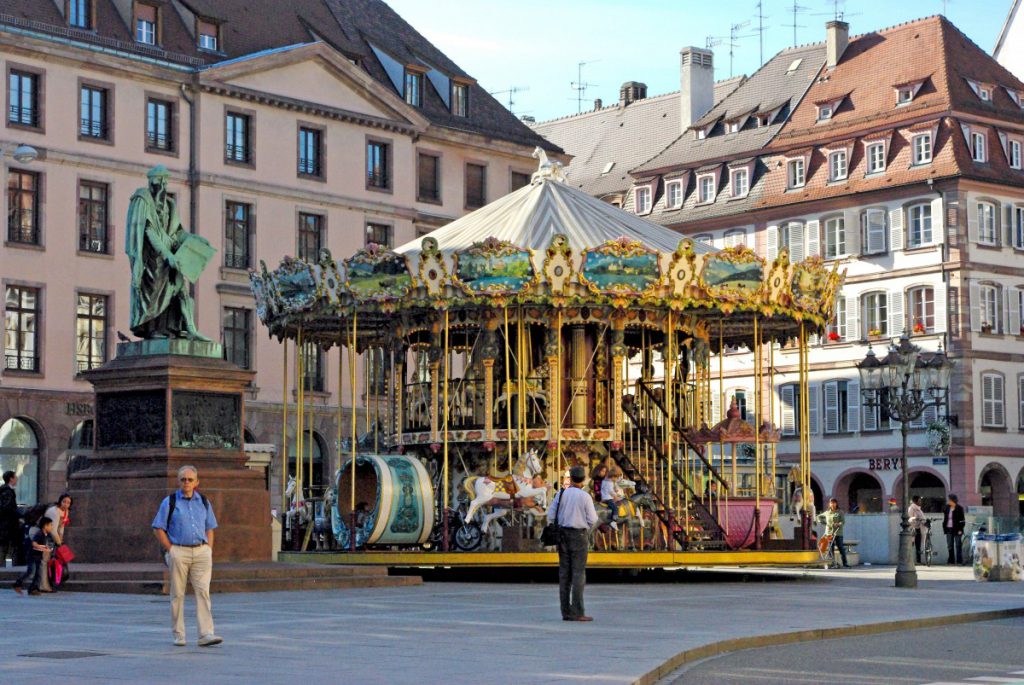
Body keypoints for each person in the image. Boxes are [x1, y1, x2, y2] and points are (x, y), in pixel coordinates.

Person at [125, 165, 210, 341]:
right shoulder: (143, 199)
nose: (161, 186)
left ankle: (190, 328)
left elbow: (177, 232)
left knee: (181, 290)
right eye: (158, 182)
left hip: (169, 259)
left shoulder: (170, 205)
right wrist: (167, 255)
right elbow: (148, 231)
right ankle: (153, 329)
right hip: (152, 260)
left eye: (163, 182)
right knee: (154, 295)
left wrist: (195, 239)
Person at [151, 465, 222, 647]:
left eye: (190, 480)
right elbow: (158, 527)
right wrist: (171, 549)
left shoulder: (203, 501)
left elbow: (210, 527)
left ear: (197, 482)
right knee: (177, 593)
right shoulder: (170, 502)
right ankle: (179, 634)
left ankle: (206, 633)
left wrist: (208, 548)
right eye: (183, 479)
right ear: (178, 481)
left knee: (203, 592)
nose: (186, 483)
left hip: (201, 551)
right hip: (179, 550)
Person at [546, 465, 597, 622]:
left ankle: (566, 612)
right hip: (579, 535)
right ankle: (578, 611)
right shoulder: (585, 497)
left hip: (562, 535)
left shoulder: (561, 494)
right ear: (583, 479)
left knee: (564, 574)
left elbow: (550, 515)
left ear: (571, 478)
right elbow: (593, 519)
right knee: (578, 574)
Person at [14, 516, 52, 595]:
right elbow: (34, 543)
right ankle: (18, 584)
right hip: (32, 556)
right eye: (50, 525)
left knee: (38, 574)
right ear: (45, 526)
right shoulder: (40, 533)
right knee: (31, 572)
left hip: (38, 557)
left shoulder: (46, 534)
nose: (51, 527)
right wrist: (44, 548)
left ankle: (33, 589)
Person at [816, 498, 849, 569]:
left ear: (836, 504)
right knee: (831, 549)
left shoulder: (840, 512)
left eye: (834, 503)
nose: (833, 504)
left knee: (841, 548)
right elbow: (818, 517)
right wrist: (824, 523)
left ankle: (845, 563)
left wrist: (839, 524)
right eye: (831, 503)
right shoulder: (827, 512)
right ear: (829, 504)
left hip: (838, 533)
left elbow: (843, 521)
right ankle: (832, 563)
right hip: (829, 533)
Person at [599, 467, 627, 531]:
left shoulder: (604, 481)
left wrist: (615, 492)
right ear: (613, 476)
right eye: (616, 477)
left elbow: (607, 489)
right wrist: (616, 495)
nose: (616, 479)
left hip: (603, 497)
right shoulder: (609, 482)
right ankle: (613, 521)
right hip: (608, 498)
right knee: (615, 508)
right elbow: (611, 491)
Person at [942, 493, 966, 565]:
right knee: (950, 546)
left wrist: (960, 529)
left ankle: (959, 561)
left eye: (949, 500)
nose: (948, 501)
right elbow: (945, 519)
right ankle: (951, 560)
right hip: (948, 529)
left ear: (953, 500)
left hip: (957, 529)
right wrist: (944, 528)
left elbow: (962, 520)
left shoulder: (959, 508)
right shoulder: (946, 508)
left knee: (958, 545)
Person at [0, 471, 18, 564]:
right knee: (8, 549)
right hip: (8, 526)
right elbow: (8, 508)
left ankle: (5, 567)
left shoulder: (4, 490)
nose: (17, 479)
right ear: (11, 479)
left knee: (4, 548)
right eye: (15, 477)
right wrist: (18, 514)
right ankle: (7, 568)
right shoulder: (8, 492)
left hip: (5, 525)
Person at [908, 495, 926, 565]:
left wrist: (924, 521)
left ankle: (918, 560)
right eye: (919, 500)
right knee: (911, 545)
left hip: (918, 529)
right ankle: (910, 561)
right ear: (916, 501)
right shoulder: (911, 508)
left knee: (918, 545)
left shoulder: (919, 509)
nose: (920, 502)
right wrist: (915, 518)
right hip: (913, 529)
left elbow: (922, 518)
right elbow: (909, 518)